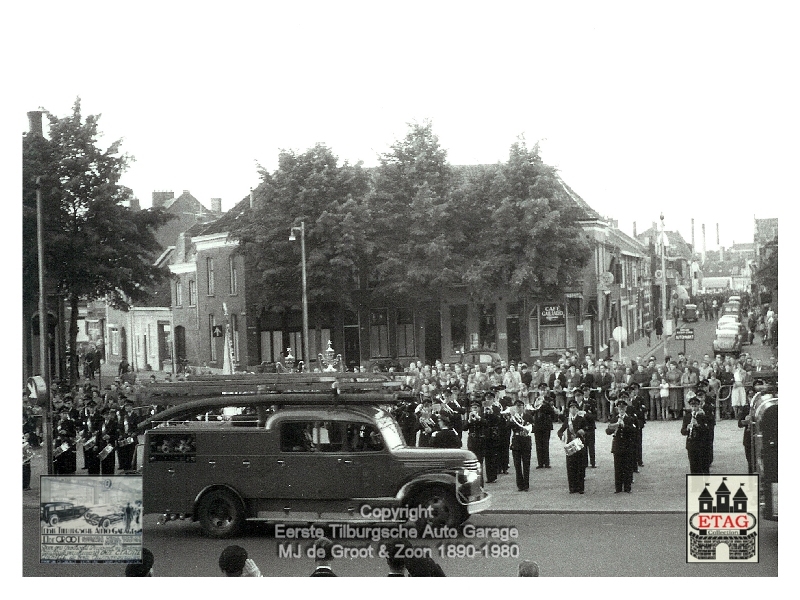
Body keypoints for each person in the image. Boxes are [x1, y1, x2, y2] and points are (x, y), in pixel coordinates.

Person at [606, 395, 637, 493]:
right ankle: (618, 488)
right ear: (617, 409)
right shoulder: (614, 419)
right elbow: (607, 431)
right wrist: (613, 427)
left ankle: (627, 488)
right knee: (618, 468)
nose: (621, 410)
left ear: (626, 408)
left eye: (623, 408)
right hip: (618, 446)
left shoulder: (630, 419)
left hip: (627, 445)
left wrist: (624, 426)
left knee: (627, 467)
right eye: (620, 408)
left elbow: (634, 430)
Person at [557, 399, 588, 494]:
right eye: (571, 408)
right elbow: (560, 430)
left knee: (580, 467)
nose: (572, 409)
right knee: (571, 467)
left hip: (579, 444)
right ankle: (572, 487)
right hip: (570, 445)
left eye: (574, 407)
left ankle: (580, 488)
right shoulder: (567, 420)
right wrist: (561, 436)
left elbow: (587, 430)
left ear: (577, 409)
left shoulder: (582, 419)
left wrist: (583, 432)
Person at [508, 398, 533, 492]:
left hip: (526, 441)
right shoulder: (513, 417)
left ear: (523, 407)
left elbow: (532, 427)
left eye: (520, 406)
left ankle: (526, 485)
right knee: (517, 465)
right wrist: (510, 420)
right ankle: (520, 485)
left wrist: (528, 430)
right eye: (517, 407)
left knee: (526, 464)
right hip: (516, 441)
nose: (518, 408)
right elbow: (507, 428)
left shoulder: (528, 416)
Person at [681, 395, 711, 474]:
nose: (694, 408)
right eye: (692, 406)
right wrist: (687, 429)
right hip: (691, 444)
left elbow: (707, 430)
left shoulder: (703, 416)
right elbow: (682, 431)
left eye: (695, 406)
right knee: (693, 466)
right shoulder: (687, 417)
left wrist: (698, 425)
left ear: (699, 406)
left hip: (701, 444)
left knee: (703, 466)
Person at [575, 387, 598, 468]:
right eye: (577, 396)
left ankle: (593, 462)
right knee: (582, 446)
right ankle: (584, 463)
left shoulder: (592, 402)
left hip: (590, 427)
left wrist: (586, 414)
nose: (585, 393)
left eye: (586, 391)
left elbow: (595, 415)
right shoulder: (576, 404)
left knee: (591, 446)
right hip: (582, 428)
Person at [532, 393, 556, 469]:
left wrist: (545, 404)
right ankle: (540, 463)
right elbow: (533, 411)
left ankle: (546, 462)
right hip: (537, 426)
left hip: (546, 426)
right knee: (538, 445)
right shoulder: (536, 401)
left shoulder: (548, 401)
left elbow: (551, 412)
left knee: (545, 444)